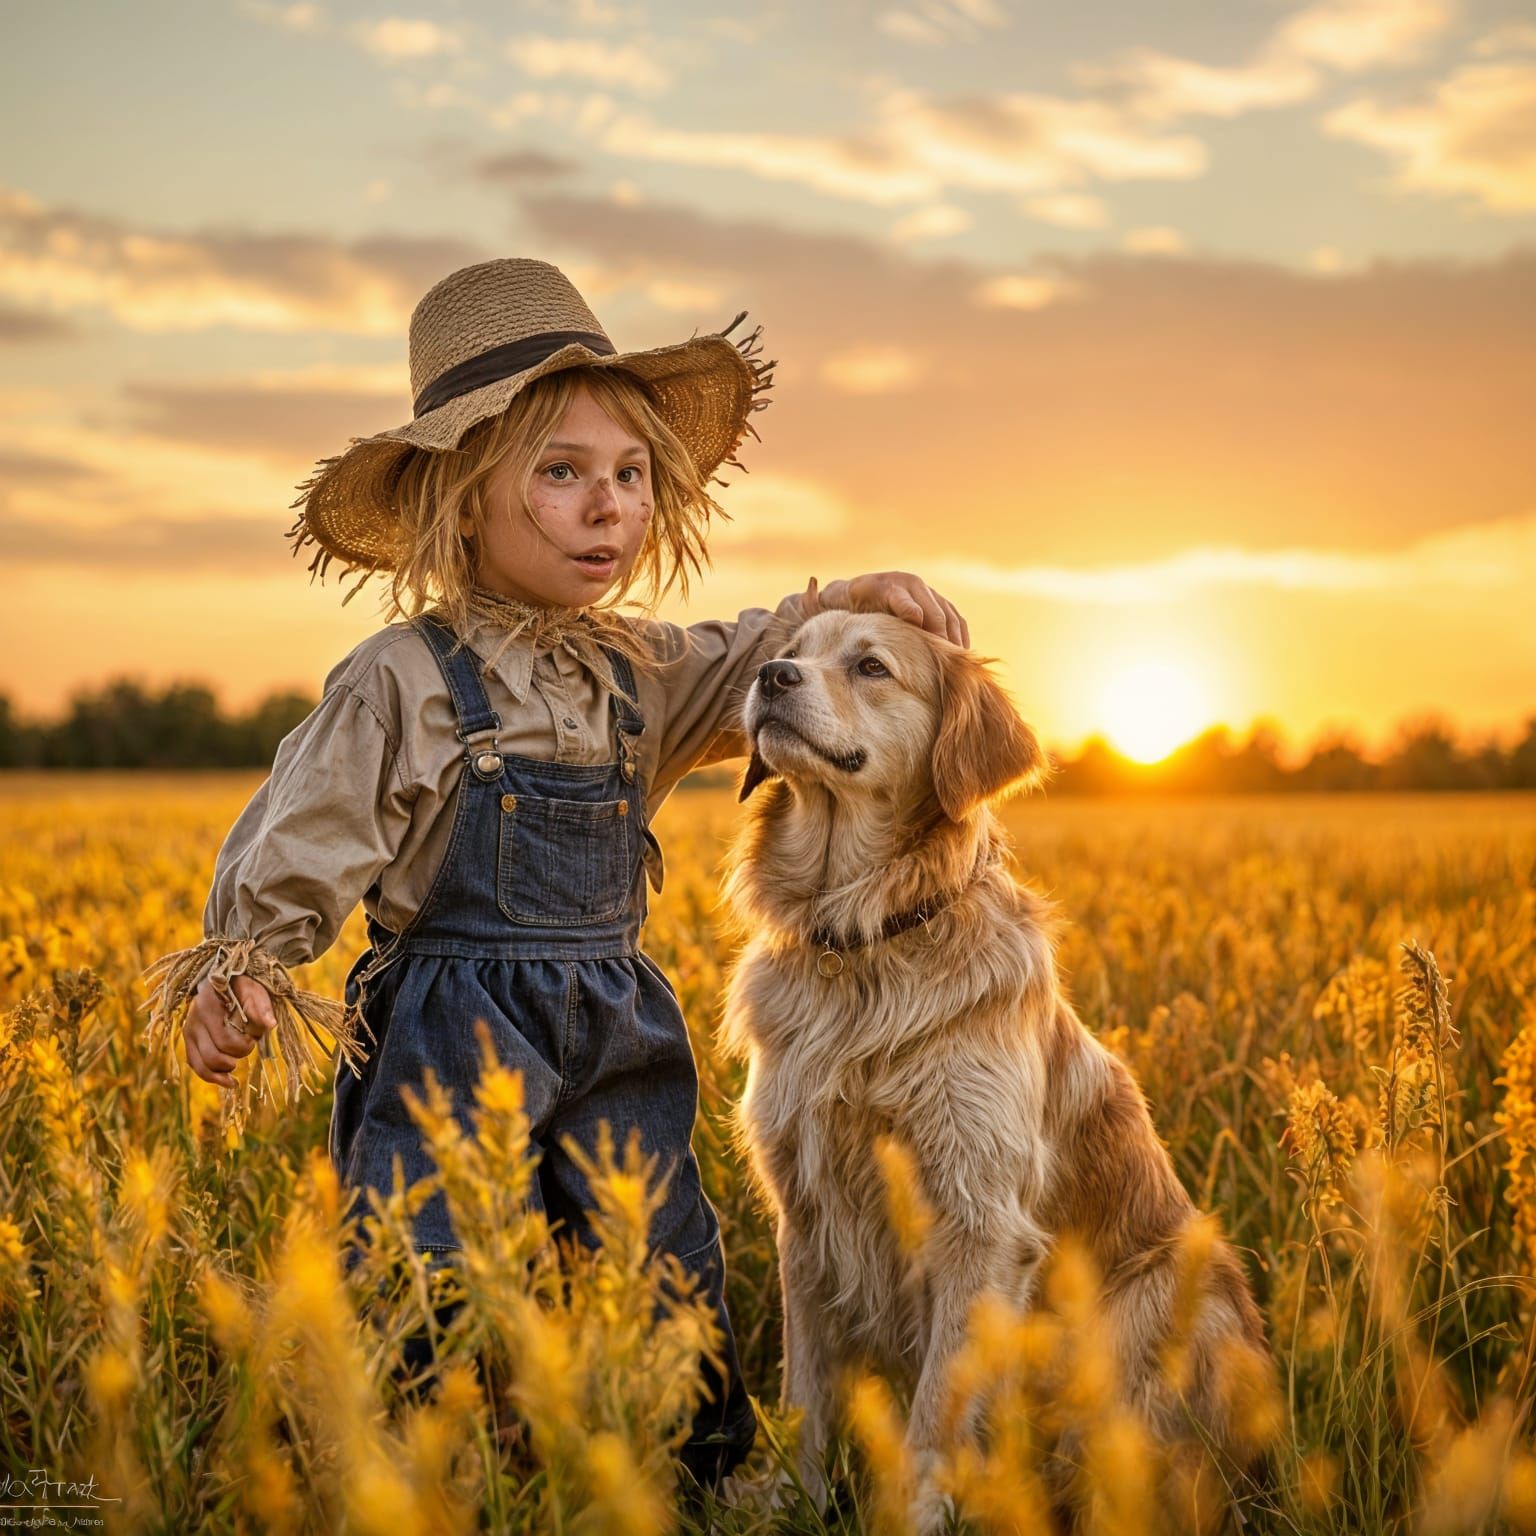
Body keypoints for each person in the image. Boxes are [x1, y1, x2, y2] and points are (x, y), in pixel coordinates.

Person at [140, 257, 970, 1486]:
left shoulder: (639, 668)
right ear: (464, 501)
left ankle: (680, 1486)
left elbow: (756, 656)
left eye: (631, 476)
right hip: (447, 1031)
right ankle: (437, 1480)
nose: (610, 508)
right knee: (435, 1272)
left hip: (615, 1022)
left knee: (663, 1267)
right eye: (563, 474)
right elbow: (306, 828)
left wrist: (851, 600)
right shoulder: (404, 678)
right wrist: (245, 963)